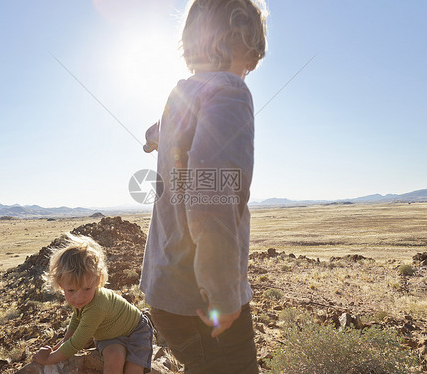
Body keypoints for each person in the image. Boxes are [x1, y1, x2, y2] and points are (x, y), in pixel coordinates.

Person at [140, 0, 267, 373]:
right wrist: (224, 295)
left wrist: (154, 138)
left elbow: (160, 133)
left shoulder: (179, 95)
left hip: (163, 291)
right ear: (243, 38)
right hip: (199, 297)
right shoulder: (230, 90)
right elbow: (210, 195)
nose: (252, 66)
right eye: (253, 53)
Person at [32, 234, 153, 374]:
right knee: (114, 358)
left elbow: (76, 343)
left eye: (87, 289)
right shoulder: (80, 301)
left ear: (97, 280)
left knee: (133, 370)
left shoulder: (96, 307)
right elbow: (76, 320)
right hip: (109, 336)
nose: (79, 298)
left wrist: (48, 359)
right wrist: (57, 348)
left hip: (136, 331)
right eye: (71, 290)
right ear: (61, 285)